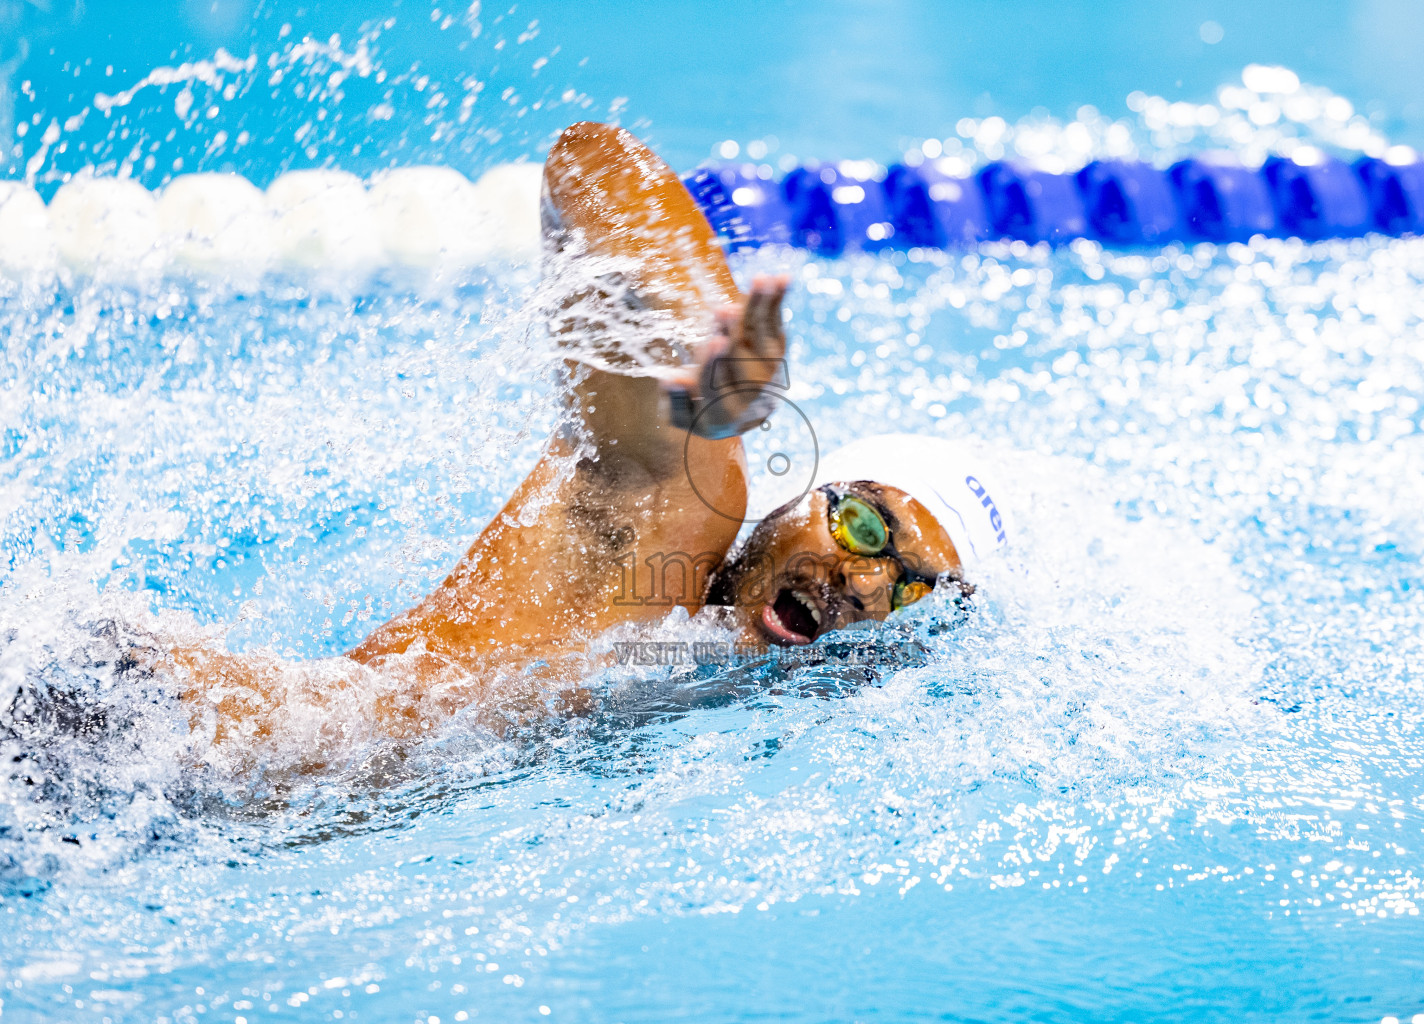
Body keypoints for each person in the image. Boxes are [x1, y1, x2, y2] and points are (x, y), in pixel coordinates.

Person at [147, 122, 1013, 765]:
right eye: (866, 530)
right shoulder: (677, 513)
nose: (864, 586)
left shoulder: (701, 663)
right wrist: (703, 325)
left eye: (907, 589)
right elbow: (590, 158)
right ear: (804, 497)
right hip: (145, 734)